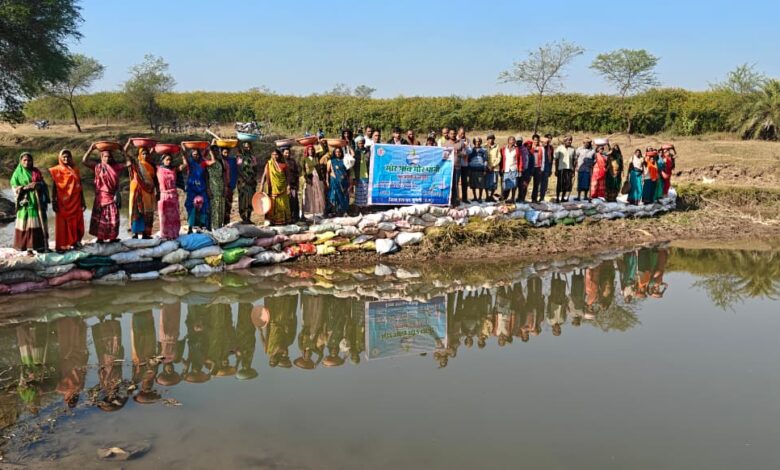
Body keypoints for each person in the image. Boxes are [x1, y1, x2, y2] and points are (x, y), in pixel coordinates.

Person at [82, 144, 127, 243]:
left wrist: (123, 151)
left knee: (113, 217)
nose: (107, 158)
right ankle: (100, 238)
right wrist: (91, 149)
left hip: (112, 196)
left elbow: (129, 163)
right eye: (105, 156)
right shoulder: (98, 166)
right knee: (101, 217)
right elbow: (84, 161)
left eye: (109, 157)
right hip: (101, 197)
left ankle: (112, 238)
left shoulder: (115, 167)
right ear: (101, 157)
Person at [10, 152, 49, 253]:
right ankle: (28, 249)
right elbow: (14, 187)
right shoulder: (17, 173)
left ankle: (41, 247)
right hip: (25, 204)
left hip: (37, 203)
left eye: (29, 160)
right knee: (26, 225)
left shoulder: (36, 171)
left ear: (32, 161)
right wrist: (25, 187)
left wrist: (38, 184)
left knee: (38, 224)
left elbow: (44, 184)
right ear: (21, 161)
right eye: (25, 160)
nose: (27, 162)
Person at [49, 149, 85, 251]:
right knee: (63, 224)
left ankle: (76, 242)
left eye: (68, 156)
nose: (66, 158)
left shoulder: (75, 170)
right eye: (64, 157)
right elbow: (54, 187)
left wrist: (83, 201)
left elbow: (80, 186)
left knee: (77, 222)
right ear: (60, 158)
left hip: (76, 201)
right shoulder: (56, 170)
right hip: (62, 202)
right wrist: (54, 201)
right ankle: (63, 245)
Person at [123, 140, 157, 239]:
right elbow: (124, 152)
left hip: (149, 192)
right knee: (137, 211)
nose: (145, 156)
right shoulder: (136, 164)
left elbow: (154, 179)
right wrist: (128, 143)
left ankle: (146, 233)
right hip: (138, 191)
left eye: (146, 154)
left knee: (148, 212)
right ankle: (136, 233)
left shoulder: (151, 166)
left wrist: (153, 145)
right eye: (143, 154)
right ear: (140, 155)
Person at [157, 152, 187, 240]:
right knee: (164, 217)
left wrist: (183, 152)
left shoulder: (174, 169)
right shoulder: (158, 169)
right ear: (162, 160)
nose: (169, 161)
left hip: (173, 196)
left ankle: (174, 234)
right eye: (167, 160)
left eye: (170, 160)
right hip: (164, 196)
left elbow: (185, 164)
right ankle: (165, 235)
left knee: (174, 217)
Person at [182, 147, 210, 232]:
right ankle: (190, 227)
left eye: (197, 154)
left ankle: (202, 226)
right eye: (194, 154)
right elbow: (184, 156)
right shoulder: (190, 163)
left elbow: (206, 177)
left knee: (204, 206)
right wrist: (183, 147)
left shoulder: (203, 163)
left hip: (202, 188)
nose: (196, 156)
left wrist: (208, 188)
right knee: (191, 207)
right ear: (191, 155)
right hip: (192, 189)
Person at [263, 148, 292, 225]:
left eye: (276, 154)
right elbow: (264, 175)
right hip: (273, 188)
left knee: (283, 204)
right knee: (273, 203)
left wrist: (288, 186)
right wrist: (261, 186)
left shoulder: (284, 165)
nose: (275, 156)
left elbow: (288, 176)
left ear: (279, 155)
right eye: (273, 154)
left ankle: (284, 220)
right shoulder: (269, 164)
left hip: (283, 188)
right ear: (271, 155)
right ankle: (272, 221)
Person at [205, 144, 229, 229]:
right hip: (212, 186)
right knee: (214, 206)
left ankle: (219, 227)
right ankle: (214, 228)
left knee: (221, 206)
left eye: (217, 151)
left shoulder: (221, 161)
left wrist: (225, 187)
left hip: (220, 185)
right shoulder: (208, 162)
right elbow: (206, 176)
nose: (216, 152)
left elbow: (223, 175)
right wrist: (208, 189)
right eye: (213, 151)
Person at [302, 145, 326, 218]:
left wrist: (319, 142)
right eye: (309, 150)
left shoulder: (316, 157)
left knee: (319, 193)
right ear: (307, 151)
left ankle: (320, 211)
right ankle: (311, 211)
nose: (311, 151)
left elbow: (323, 151)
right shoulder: (305, 159)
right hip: (310, 178)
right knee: (310, 193)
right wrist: (306, 177)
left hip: (318, 177)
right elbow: (303, 170)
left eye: (312, 149)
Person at [237, 141, 258, 224]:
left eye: (249, 147)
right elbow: (239, 169)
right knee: (243, 200)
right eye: (245, 147)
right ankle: (243, 217)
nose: (247, 148)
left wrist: (252, 178)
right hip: (242, 182)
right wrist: (245, 178)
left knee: (250, 200)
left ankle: (248, 218)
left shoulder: (253, 158)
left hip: (251, 182)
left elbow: (255, 169)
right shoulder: (240, 157)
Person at [326, 147, 351, 216]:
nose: (338, 153)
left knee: (344, 196)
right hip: (334, 181)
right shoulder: (331, 161)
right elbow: (327, 172)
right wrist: (327, 181)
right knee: (334, 195)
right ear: (334, 153)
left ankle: (343, 211)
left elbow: (348, 172)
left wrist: (349, 181)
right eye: (336, 152)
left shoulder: (344, 161)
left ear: (341, 153)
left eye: (339, 152)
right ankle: (334, 211)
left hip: (344, 182)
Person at [553, 136, 576, 202]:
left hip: (569, 169)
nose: (570, 141)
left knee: (567, 184)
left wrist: (573, 170)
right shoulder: (559, 148)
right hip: (561, 169)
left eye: (571, 140)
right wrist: (556, 170)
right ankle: (557, 198)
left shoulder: (572, 149)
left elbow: (574, 160)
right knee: (560, 184)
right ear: (565, 141)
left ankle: (563, 198)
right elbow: (556, 160)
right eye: (568, 140)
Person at [498, 136, 521, 202]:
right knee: (505, 184)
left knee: (514, 184)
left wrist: (520, 170)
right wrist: (501, 168)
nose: (512, 141)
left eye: (513, 140)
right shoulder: (503, 149)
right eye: (511, 140)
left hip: (514, 169)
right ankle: (503, 197)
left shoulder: (517, 149)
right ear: (508, 141)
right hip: (506, 169)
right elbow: (501, 160)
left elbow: (520, 160)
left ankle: (512, 198)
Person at [282, 147, 300, 222]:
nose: (288, 154)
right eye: (286, 153)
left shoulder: (293, 161)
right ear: (283, 153)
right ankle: (287, 217)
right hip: (284, 185)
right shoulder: (281, 162)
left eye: (289, 153)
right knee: (286, 202)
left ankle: (295, 217)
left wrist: (297, 183)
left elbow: (296, 173)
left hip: (293, 185)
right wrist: (287, 185)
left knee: (294, 200)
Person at [353, 136, 370, 208]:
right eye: (359, 143)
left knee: (366, 192)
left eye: (362, 143)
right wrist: (353, 177)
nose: (361, 144)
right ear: (357, 144)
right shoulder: (355, 152)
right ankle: (358, 208)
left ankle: (365, 207)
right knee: (359, 192)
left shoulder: (368, 152)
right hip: (358, 175)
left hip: (367, 175)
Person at [530, 134, 548, 203]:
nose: (536, 141)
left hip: (538, 168)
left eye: (537, 140)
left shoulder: (541, 148)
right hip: (531, 168)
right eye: (535, 140)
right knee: (526, 184)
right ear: (532, 140)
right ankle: (522, 198)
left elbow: (543, 159)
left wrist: (542, 169)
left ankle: (534, 199)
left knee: (536, 184)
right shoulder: (530, 147)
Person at [454, 127, 472, 203]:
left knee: (464, 182)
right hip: (457, 165)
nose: (463, 135)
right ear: (458, 132)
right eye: (461, 133)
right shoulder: (455, 140)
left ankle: (465, 198)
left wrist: (466, 146)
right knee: (456, 182)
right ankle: (456, 198)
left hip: (464, 164)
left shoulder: (467, 140)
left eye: (464, 133)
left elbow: (470, 151)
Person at [468, 137, 487, 202]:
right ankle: (475, 197)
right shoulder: (471, 150)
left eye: (479, 141)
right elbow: (468, 160)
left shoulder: (484, 150)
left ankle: (480, 197)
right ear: (474, 142)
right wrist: (469, 169)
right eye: (476, 141)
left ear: (481, 142)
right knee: (473, 184)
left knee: (480, 184)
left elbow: (485, 160)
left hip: (480, 170)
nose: (477, 143)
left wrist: (485, 169)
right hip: (472, 169)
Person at [484, 134, 501, 201]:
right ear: (487, 140)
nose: (490, 140)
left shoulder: (497, 147)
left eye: (492, 139)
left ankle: (491, 196)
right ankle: (487, 196)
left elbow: (499, 157)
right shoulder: (484, 147)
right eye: (489, 139)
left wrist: (493, 166)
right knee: (486, 182)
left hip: (495, 168)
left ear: (494, 139)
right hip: (486, 168)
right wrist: (487, 166)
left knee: (494, 183)